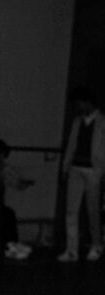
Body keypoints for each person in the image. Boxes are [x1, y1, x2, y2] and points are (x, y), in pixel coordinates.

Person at [57, 86, 105, 262]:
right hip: (76, 167)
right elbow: (71, 145)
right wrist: (65, 168)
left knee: (92, 209)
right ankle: (71, 250)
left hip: (94, 169)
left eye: (79, 103)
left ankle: (96, 245)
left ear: (88, 102)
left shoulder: (102, 122)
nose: (77, 107)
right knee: (71, 209)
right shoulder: (77, 121)